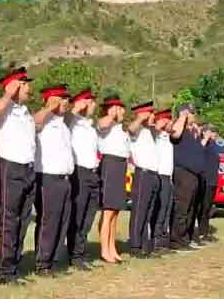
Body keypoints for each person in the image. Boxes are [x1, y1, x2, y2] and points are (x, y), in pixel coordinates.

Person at [0, 67, 36, 285]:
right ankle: (5, 270)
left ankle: (15, 264)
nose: (29, 88)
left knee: (23, 218)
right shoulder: (5, 107)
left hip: (27, 168)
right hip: (10, 167)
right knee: (9, 219)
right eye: (25, 84)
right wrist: (8, 93)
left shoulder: (24, 111)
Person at [33, 84, 74, 276]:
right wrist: (49, 107)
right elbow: (34, 123)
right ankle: (43, 262)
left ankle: (54, 259)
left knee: (62, 220)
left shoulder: (63, 124)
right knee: (49, 221)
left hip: (64, 178)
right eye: (62, 99)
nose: (66, 103)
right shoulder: (44, 120)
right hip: (49, 178)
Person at [65, 89, 100, 271]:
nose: (94, 105)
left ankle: (81, 250)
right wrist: (76, 108)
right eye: (91, 102)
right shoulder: (72, 121)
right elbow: (66, 121)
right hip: (79, 172)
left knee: (88, 216)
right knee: (77, 215)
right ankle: (74, 254)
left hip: (92, 172)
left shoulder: (89, 124)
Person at [150, 109, 188, 253]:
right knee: (159, 210)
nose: (171, 124)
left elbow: (176, 132)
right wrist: (160, 123)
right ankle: (156, 240)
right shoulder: (156, 134)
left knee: (166, 210)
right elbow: (155, 128)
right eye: (168, 121)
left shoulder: (167, 136)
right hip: (160, 175)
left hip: (168, 177)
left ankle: (162, 239)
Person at [97, 96, 129, 264]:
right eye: (119, 107)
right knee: (108, 210)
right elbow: (102, 124)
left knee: (116, 211)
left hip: (120, 166)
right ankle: (104, 250)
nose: (122, 111)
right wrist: (112, 113)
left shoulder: (119, 128)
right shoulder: (105, 123)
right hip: (109, 164)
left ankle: (112, 247)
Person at [127, 102, 160, 258]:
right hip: (143, 174)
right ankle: (135, 245)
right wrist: (141, 118)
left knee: (148, 211)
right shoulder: (137, 130)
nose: (153, 116)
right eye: (151, 113)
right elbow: (131, 129)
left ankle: (145, 245)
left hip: (153, 175)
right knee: (139, 210)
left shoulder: (149, 131)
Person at [170, 104, 205, 252]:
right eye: (192, 113)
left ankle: (185, 238)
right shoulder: (177, 126)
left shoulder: (191, 131)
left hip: (193, 175)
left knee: (190, 208)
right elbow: (175, 134)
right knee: (182, 208)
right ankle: (176, 240)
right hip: (183, 173)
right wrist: (182, 117)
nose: (194, 116)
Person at [198, 124, 221, 243]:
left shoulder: (214, 145)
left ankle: (205, 231)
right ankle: (201, 232)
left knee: (207, 208)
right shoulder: (203, 143)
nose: (215, 134)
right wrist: (205, 138)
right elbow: (198, 152)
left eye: (216, 131)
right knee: (203, 207)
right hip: (205, 179)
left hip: (212, 179)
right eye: (212, 131)